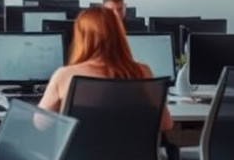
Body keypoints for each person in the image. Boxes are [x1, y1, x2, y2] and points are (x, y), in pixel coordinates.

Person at [39, 7, 173, 131]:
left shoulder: (65, 75)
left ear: (81, 38)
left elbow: (41, 124)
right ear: (119, 34)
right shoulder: (143, 72)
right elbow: (166, 124)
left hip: (81, 150)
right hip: (132, 150)